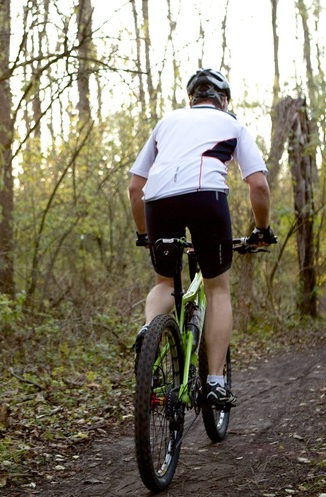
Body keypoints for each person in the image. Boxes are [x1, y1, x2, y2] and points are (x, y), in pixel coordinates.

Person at [128, 68, 276, 409]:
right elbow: (258, 185)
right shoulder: (232, 123)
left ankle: (150, 332)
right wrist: (262, 230)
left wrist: (144, 235)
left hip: (158, 201)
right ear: (223, 101)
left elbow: (136, 186)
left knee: (165, 280)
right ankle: (215, 382)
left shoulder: (166, 123)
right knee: (217, 287)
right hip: (206, 197)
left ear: (191, 100)